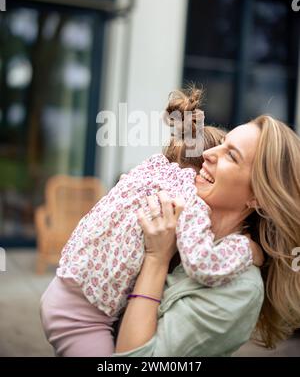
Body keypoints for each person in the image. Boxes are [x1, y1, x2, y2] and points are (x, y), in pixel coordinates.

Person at [41, 87, 262, 357]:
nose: (211, 156)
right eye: (218, 149)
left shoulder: (150, 171)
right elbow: (202, 261)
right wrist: (248, 250)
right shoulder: (184, 198)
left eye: (231, 155)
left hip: (69, 287)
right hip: (83, 317)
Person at [113, 113, 300, 356]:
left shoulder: (240, 290)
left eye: (231, 155)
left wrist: (156, 258)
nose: (208, 154)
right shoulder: (180, 227)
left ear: (258, 198)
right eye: (223, 144)